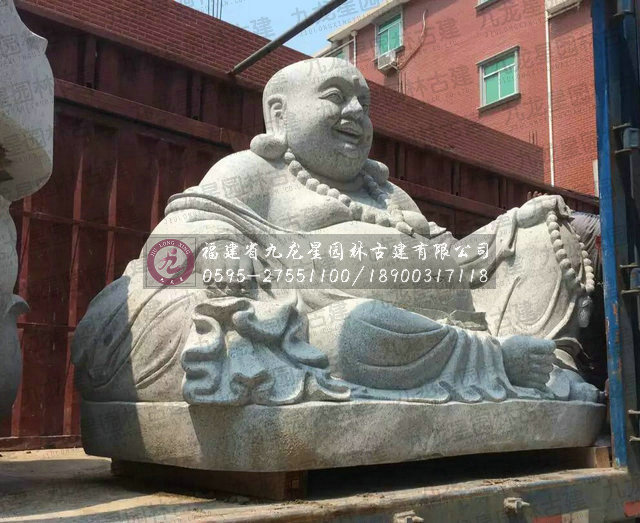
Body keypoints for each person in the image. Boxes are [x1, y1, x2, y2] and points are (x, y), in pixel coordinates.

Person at [71, 58, 600, 407]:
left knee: (541, 238)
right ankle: (497, 362)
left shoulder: (388, 193)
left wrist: (511, 227)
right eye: (336, 97)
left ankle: (538, 365)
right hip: (332, 320)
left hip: (441, 318)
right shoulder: (255, 173)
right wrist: (221, 247)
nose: (356, 113)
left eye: (364, 105)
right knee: (357, 328)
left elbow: (450, 261)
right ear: (278, 114)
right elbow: (173, 240)